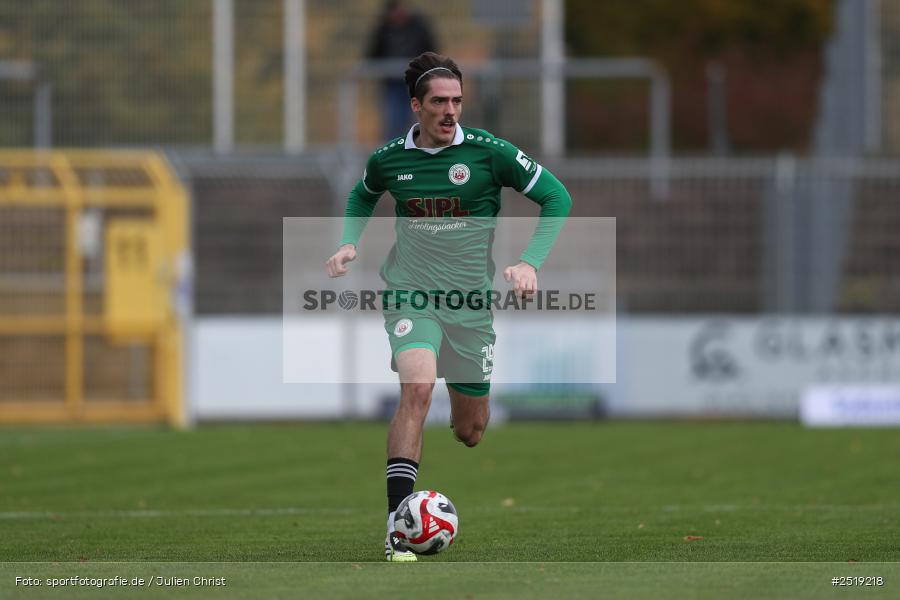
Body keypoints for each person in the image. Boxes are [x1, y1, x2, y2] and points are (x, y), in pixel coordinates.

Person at [325, 52, 572, 561]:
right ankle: (398, 526)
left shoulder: (490, 154)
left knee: (470, 431)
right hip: (409, 291)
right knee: (416, 390)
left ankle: (430, 481)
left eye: (457, 100)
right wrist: (350, 242)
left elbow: (557, 197)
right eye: (439, 101)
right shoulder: (390, 158)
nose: (451, 110)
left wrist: (530, 263)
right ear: (416, 105)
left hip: (470, 304)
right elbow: (361, 196)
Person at [367, 0, 436, 138]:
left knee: (417, 118)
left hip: (416, 83)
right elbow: (373, 53)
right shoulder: (384, 28)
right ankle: (395, 151)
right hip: (392, 84)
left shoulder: (418, 26)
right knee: (393, 120)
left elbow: (430, 50)